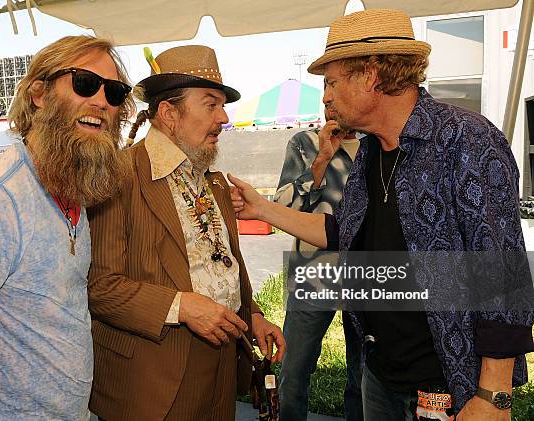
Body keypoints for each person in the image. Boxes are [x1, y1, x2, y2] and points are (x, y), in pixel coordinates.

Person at [230, 9, 534, 421]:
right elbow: (340, 231)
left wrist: (493, 395)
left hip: (449, 385)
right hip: (382, 377)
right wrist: (259, 208)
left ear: (370, 76)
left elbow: (501, 272)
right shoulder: (371, 151)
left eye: (333, 82)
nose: (325, 96)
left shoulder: (466, 140)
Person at [0, 35, 134, 420]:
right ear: (38, 93)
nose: (102, 101)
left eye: (115, 91)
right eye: (85, 83)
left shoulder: (71, 189)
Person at [87, 44, 285, 421]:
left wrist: (253, 314)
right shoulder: (119, 176)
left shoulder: (213, 180)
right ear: (169, 113)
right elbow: (99, 286)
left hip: (222, 365)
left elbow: (225, 263)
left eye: (222, 105)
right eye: (211, 104)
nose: (224, 117)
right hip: (151, 377)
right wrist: (182, 307)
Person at [274, 110, 363, 421]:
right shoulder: (304, 142)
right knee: (295, 366)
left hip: (367, 273)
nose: (331, 105)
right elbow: (283, 209)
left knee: (363, 372)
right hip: (313, 270)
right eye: (326, 94)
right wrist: (322, 160)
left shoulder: (377, 144)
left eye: (336, 92)